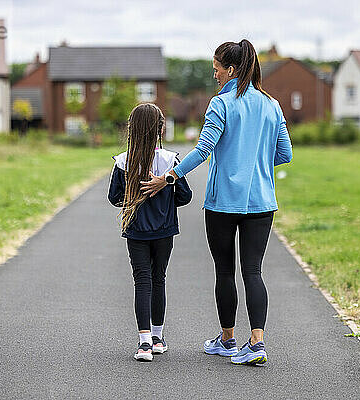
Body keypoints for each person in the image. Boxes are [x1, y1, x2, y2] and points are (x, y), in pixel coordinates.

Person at [140, 39, 293, 366]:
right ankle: (257, 342)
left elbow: (202, 150)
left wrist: (168, 177)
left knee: (225, 272)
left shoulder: (221, 104)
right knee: (253, 271)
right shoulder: (272, 105)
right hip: (263, 202)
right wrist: (255, 165)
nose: (215, 77)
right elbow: (285, 154)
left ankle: (227, 340)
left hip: (223, 203)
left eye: (217, 71)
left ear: (231, 69)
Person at [108, 103, 192, 362]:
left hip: (136, 230)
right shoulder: (171, 162)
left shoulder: (124, 162)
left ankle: (143, 342)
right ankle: (158, 338)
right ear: (160, 130)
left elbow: (114, 198)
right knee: (159, 279)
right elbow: (186, 196)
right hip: (165, 230)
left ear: (131, 130)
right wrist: (165, 201)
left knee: (141, 281)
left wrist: (135, 198)